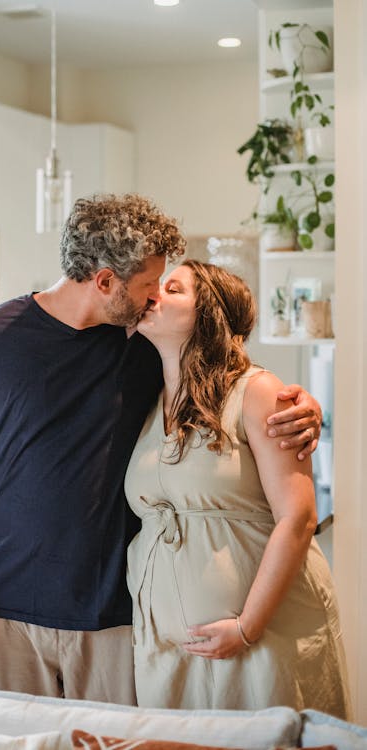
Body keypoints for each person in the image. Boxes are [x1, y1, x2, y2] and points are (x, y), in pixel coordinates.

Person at [0, 194, 322, 704]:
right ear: (106, 282)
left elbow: (231, 375)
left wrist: (302, 405)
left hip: (113, 612)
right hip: (0, 607)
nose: (154, 296)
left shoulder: (148, 343)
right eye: (147, 285)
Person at [125, 260, 351, 717]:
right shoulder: (149, 405)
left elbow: (299, 517)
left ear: (209, 313)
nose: (153, 296)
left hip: (263, 637)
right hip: (170, 649)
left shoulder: (258, 392)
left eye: (173, 289)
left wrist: (248, 626)